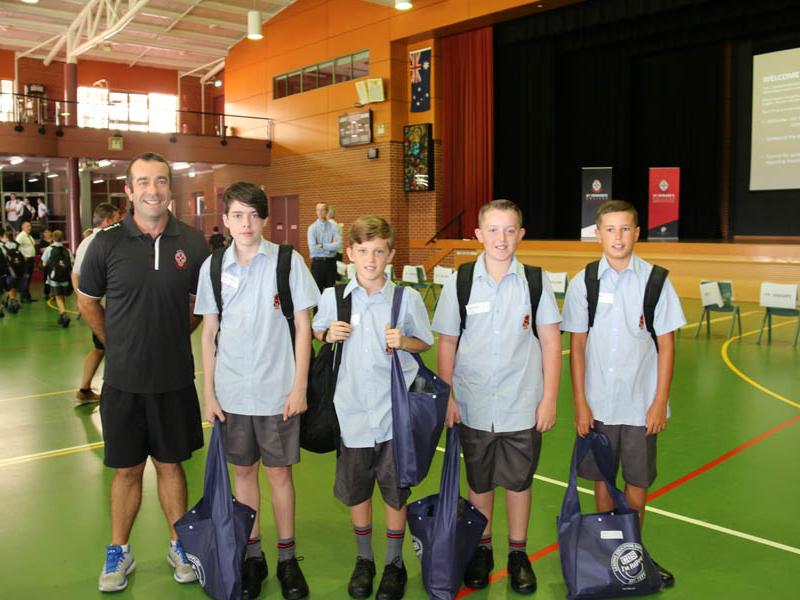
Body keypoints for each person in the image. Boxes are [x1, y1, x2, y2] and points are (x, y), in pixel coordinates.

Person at [77, 152, 210, 593]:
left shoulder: (193, 243)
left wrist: (172, 335)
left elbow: (201, 305)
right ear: (129, 191)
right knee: (127, 470)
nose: (153, 189)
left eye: (161, 181)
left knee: (172, 465)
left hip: (174, 379)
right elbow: (87, 300)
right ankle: (119, 550)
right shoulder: (106, 242)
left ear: (170, 187)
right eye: (143, 182)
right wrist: (115, 344)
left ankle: (179, 544)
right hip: (123, 383)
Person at [431, 199, 562, 595]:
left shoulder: (535, 282)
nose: (501, 238)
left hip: (523, 403)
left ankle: (518, 553)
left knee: (520, 483)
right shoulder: (461, 282)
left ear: (521, 234)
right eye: (492, 230)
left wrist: (549, 398)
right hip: (474, 404)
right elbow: (447, 342)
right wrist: (447, 395)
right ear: (478, 235)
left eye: (509, 230)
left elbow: (551, 342)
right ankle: (481, 549)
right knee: (480, 481)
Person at [196, 181, 318, 600]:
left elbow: (303, 327)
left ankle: (287, 558)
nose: (245, 224)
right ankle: (253, 556)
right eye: (237, 215)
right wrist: (209, 394)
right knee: (243, 473)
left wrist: (299, 386)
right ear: (225, 220)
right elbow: (208, 333)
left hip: (277, 392)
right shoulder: (214, 266)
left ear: (265, 219)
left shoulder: (287, 261)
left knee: (279, 475)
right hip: (232, 394)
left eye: (253, 215)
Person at [561, 199, 685, 588]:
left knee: (637, 481)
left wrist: (659, 402)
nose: (618, 237)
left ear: (637, 233)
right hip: (598, 404)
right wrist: (581, 403)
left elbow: (667, 346)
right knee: (602, 479)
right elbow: (577, 346)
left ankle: (632, 551)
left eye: (626, 228)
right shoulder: (584, 282)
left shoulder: (656, 281)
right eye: (610, 229)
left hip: (639, 405)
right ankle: (606, 553)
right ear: (598, 234)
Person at [312, 215, 432, 600]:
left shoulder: (405, 299)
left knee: (395, 492)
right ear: (349, 253)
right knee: (358, 491)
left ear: (391, 255)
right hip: (351, 417)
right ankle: (364, 559)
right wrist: (327, 333)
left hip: (394, 417)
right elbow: (317, 329)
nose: (370, 259)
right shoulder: (334, 298)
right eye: (363, 251)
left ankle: (394, 563)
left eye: (379, 251)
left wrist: (405, 342)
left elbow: (424, 341)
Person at [71, 202, 120, 404]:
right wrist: (88, 303)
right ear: (107, 221)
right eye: (117, 220)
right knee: (114, 348)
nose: (120, 224)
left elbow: (75, 275)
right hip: (108, 308)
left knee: (100, 348)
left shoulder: (86, 242)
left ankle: (84, 389)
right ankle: (118, 392)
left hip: (100, 307)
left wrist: (83, 301)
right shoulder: (103, 242)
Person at [41, 230, 74, 327]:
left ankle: (64, 314)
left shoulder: (49, 249)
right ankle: (61, 315)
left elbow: (44, 263)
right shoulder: (67, 250)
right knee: (61, 296)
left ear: (52, 238)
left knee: (58, 297)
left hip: (54, 276)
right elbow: (72, 264)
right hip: (65, 276)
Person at [307, 202, 342, 292]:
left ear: (327, 211)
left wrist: (322, 245)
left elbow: (338, 245)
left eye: (322, 210)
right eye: (318, 210)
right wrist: (330, 248)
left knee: (331, 292)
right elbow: (313, 248)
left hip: (331, 264)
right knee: (317, 292)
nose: (320, 212)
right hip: (317, 264)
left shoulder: (333, 227)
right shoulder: (312, 228)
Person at [0, 229, 22, 314]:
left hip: (9, 268)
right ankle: (8, 299)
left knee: (10, 285)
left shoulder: (4, 247)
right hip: (18, 267)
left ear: (6, 238)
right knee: (14, 285)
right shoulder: (17, 245)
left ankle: (13, 303)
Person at [16, 221, 37, 302]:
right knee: (25, 278)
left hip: (30, 259)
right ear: (23, 227)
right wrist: (22, 256)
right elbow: (16, 246)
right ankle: (23, 297)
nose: (30, 228)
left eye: (30, 226)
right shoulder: (21, 236)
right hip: (25, 261)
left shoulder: (29, 236)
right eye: (28, 226)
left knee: (28, 278)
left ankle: (27, 296)